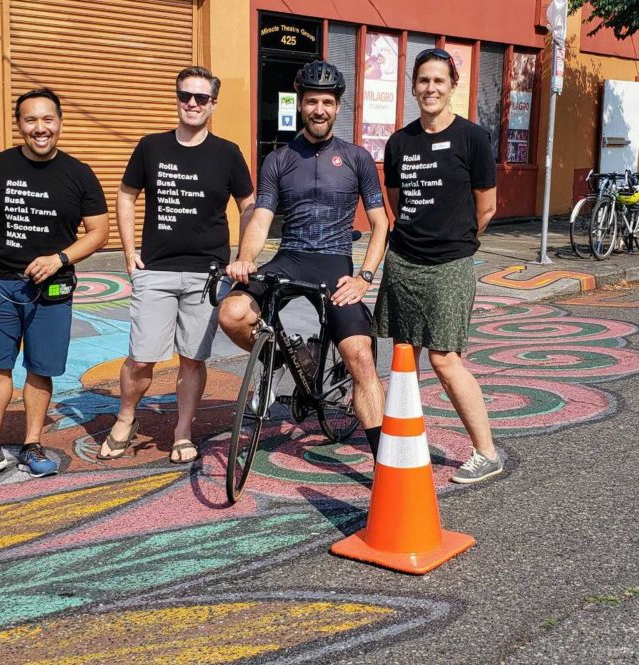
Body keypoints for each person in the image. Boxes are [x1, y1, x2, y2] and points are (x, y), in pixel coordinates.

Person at [218, 60, 390, 458]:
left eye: (327, 102)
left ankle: (384, 462)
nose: (319, 109)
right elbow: (261, 218)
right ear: (300, 104)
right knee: (231, 313)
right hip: (290, 256)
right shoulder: (279, 159)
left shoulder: (357, 158)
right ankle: (281, 354)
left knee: (360, 356)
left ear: (337, 106)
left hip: (335, 262)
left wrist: (364, 276)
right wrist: (244, 259)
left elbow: (381, 224)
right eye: (312, 101)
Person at [98, 66, 254, 464]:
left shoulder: (228, 153)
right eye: (185, 95)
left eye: (201, 98)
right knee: (141, 358)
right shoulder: (152, 147)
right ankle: (126, 417)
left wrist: (244, 256)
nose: (192, 103)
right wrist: (129, 250)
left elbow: (249, 205)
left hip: (208, 275)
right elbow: (126, 195)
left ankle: (182, 431)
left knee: (192, 358)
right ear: (177, 98)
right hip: (156, 270)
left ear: (213, 105)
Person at [0, 88, 109, 483]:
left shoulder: (79, 173)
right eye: (31, 120)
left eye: (47, 120)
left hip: (52, 290)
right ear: (19, 125)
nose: (40, 128)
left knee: (41, 370)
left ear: (60, 122)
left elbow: (99, 233)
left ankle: (31, 445)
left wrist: (60, 258)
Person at [375, 48, 501, 483]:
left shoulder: (472, 138)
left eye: (438, 81)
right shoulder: (400, 142)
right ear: (413, 86)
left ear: (452, 87)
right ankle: (402, 443)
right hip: (403, 261)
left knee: (445, 359)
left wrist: (454, 240)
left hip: (450, 264)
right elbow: (396, 201)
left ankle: (486, 451)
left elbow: (486, 207)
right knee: (403, 354)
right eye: (423, 81)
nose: (430, 88)